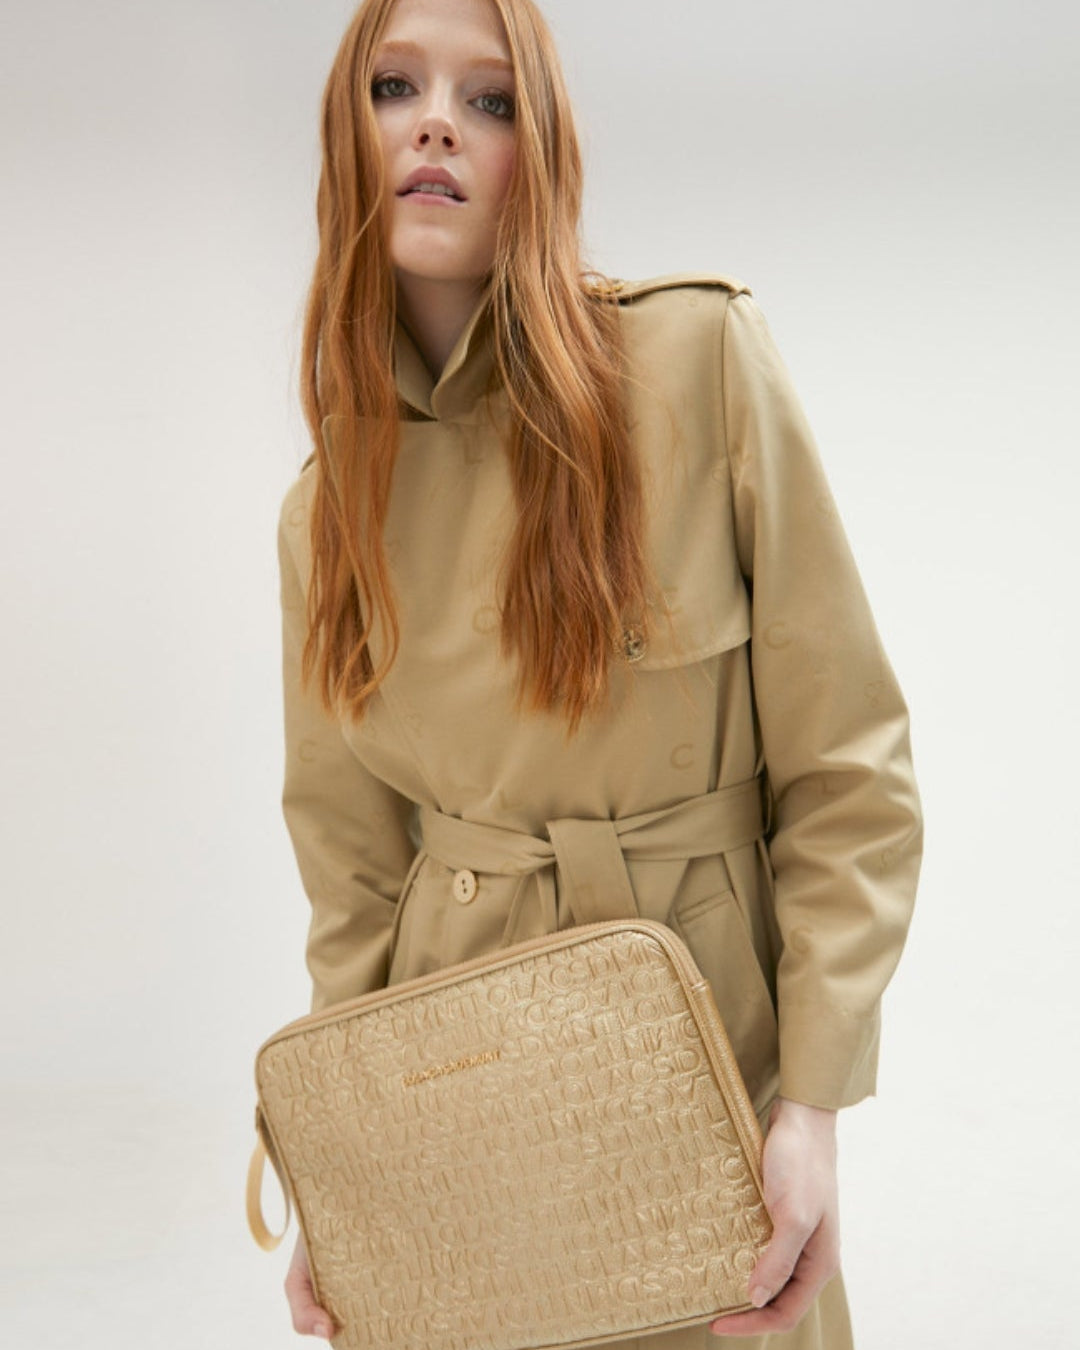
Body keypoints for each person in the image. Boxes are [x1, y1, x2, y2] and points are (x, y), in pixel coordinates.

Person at [274, 0, 923, 1346]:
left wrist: (812, 1107)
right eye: (394, 87)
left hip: (709, 1057)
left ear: (545, 148)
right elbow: (351, 875)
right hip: (456, 1088)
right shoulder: (325, 509)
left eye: (490, 100)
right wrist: (343, 1176)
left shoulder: (695, 360)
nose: (436, 124)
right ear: (343, 135)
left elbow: (848, 769)